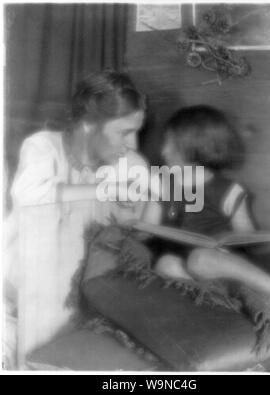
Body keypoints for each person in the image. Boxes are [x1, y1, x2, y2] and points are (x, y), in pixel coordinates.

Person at [3, 70, 159, 368]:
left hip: (82, 286)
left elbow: (137, 234)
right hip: (23, 283)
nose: (133, 144)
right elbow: (29, 195)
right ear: (88, 125)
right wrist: (105, 188)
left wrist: (149, 201)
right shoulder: (43, 146)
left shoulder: (129, 163)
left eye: (137, 132)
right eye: (125, 132)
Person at [150, 105, 270, 305]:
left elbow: (249, 239)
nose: (163, 151)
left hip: (221, 266)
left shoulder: (228, 191)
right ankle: (216, 308)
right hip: (190, 274)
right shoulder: (163, 183)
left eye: (171, 144)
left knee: (200, 259)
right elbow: (147, 228)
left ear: (195, 150)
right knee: (166, 264)